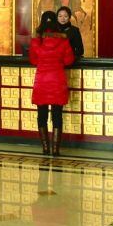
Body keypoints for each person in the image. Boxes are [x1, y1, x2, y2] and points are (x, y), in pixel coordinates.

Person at [29, 11, 75, 156]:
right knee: (57, 115)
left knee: (41, 115)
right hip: (58, 81)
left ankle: (45, 147)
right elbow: (69, 60)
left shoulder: (36, 40)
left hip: (42, 81)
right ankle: (55, 149)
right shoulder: (63, 40)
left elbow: (33, 60)